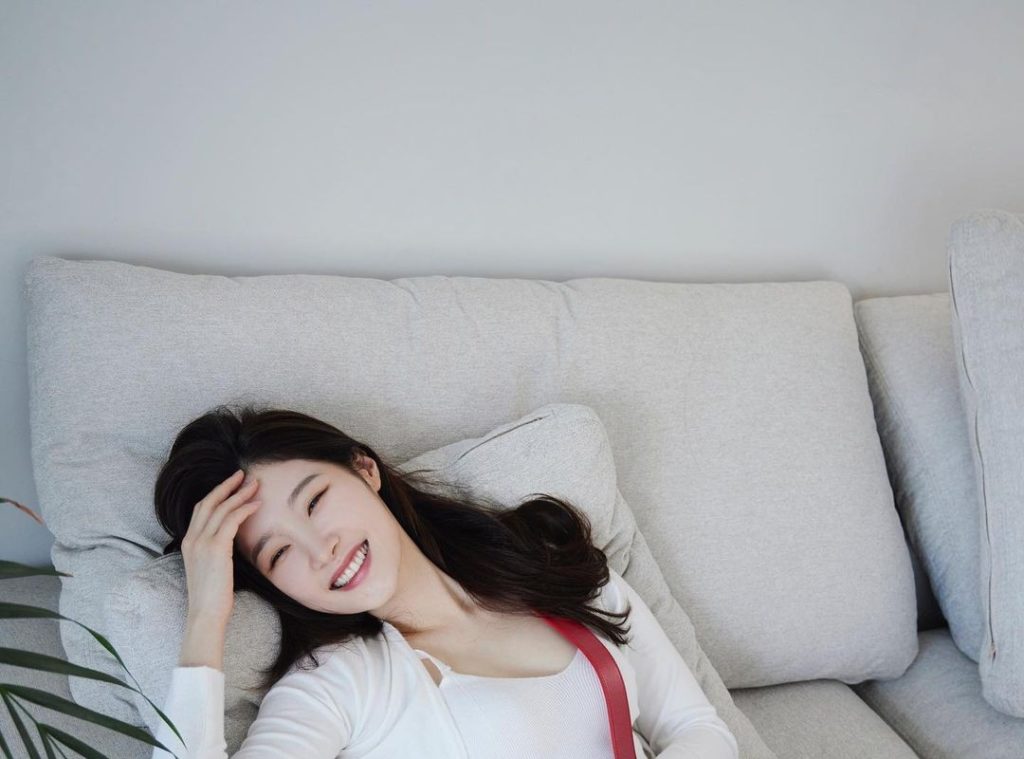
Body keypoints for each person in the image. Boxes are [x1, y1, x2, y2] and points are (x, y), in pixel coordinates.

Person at [150, 403, 739, 758]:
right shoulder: (339, 684)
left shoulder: (553, 565)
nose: (320, 549)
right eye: (278, 554)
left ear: (364, 468)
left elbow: (695, 727)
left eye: (316, 501)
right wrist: (206, 614)